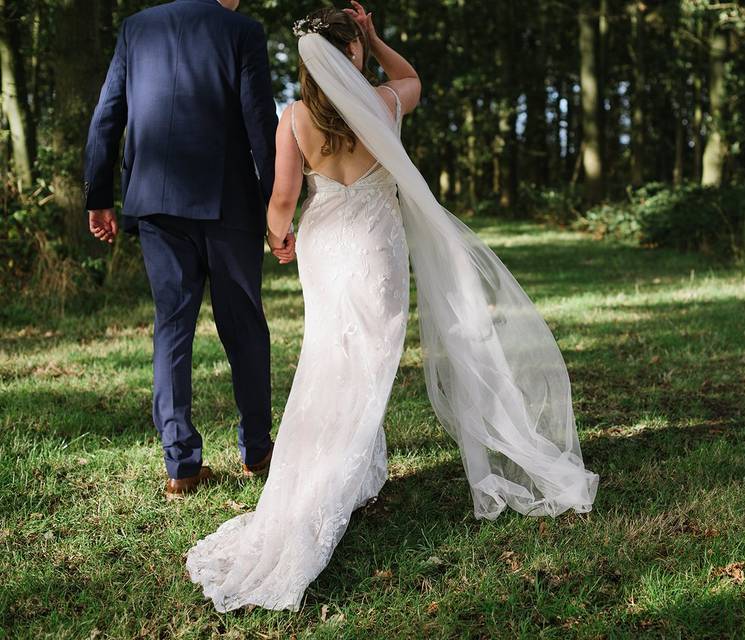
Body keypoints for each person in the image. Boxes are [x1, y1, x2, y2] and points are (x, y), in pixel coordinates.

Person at [185, 2, 599, 612]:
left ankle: (344, 471)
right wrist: (377, 40)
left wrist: (279, 236)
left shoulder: (294, 116)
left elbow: (281, 196)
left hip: (325, 244)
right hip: (377, 244)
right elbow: (415, 83)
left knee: (329, 357)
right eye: (353, 45)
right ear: (349, 51)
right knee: (369, 363)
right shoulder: (381, 103)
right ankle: (349, 468)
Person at [83, 0, 284, 498]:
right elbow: (260, 120)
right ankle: (258, 451)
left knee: (171, 329)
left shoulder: (137, 27)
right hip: (228, 205)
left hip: (154, 203)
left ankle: (181, 467)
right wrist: (275, 207)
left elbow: (108, 112)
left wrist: (98, 195)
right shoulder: (242, 30)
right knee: (243, 325)